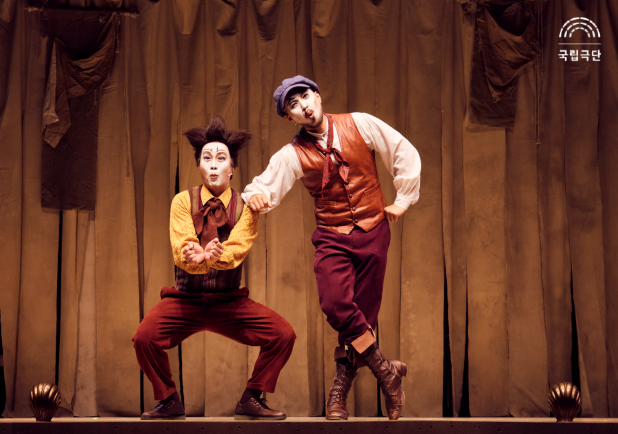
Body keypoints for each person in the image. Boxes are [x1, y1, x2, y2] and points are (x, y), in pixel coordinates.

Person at [242, 76, 421, 421]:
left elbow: (402, 151)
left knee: (362, 318)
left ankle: (339, 391)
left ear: (317, 96)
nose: (304, 107)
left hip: (374, 230)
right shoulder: (292, 154)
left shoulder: (360, 123)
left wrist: (403, 200)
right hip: (332, 235)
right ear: (289, 118)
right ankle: (387, 372)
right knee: (335, 304)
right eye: (294, 106)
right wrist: (256, 198)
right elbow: (263, 187)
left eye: (305, 97)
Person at [133, 116, 296, 421]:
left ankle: (252, 398)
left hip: (228, 301)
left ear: (232, 167)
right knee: (144, 338)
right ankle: (168, 400)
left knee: (283, 334)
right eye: (206, 158)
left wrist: (212, 257)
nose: (213, 165)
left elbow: (237, 249)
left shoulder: (246, 206)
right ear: (199, 165)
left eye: (221, 158)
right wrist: (194, 256)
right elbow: (181, 246)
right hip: (186, 300)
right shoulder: (183, 201)